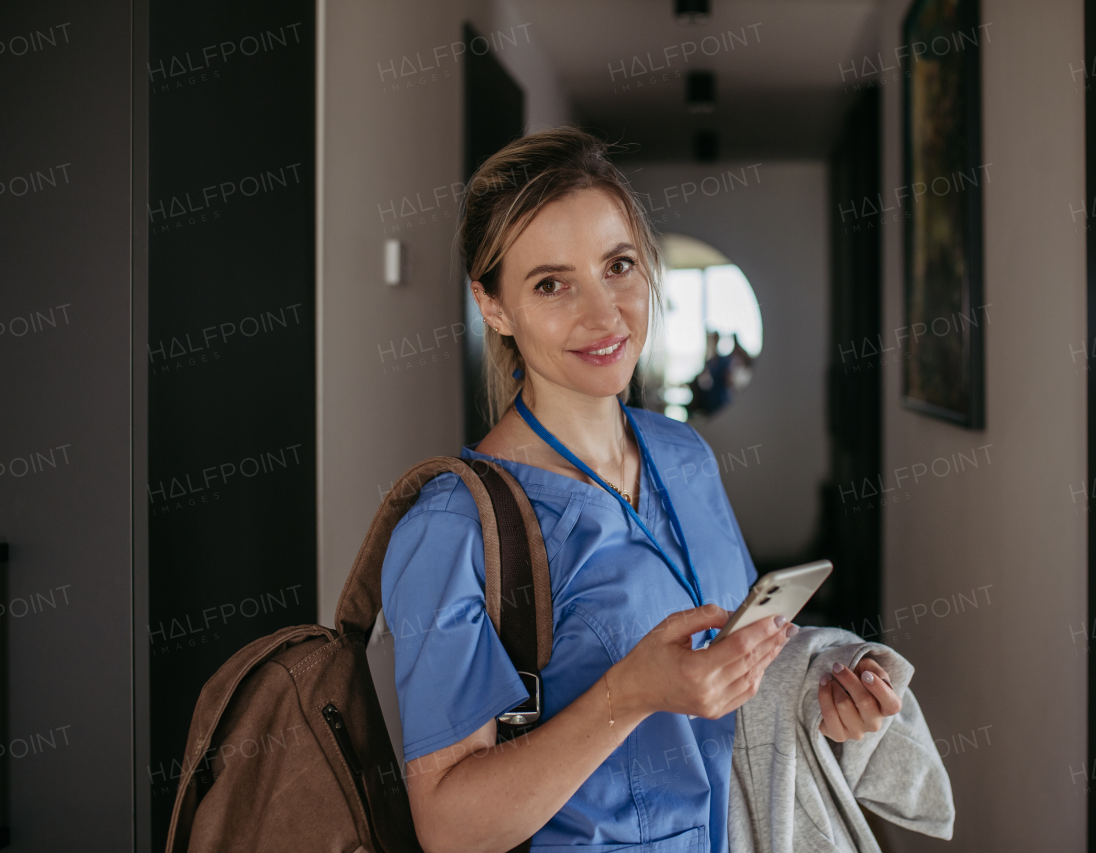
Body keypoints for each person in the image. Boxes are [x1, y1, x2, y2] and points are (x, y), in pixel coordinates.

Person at [380, 127, 901, 853]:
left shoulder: (681, 452)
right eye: (552, 283)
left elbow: (742, 651)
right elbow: (447, 825)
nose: (604, 315)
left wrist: (820, 693)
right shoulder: (453, 527)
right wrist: (629, 695)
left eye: (618, 265)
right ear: (492, 304)